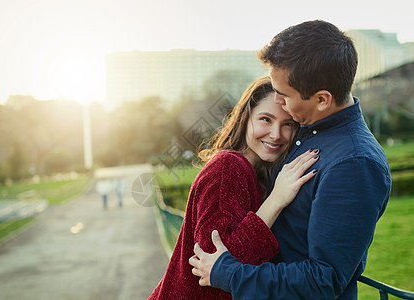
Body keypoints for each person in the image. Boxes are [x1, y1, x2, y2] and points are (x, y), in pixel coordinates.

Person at [189, 20, 392, 300]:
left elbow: (324, 279)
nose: (278, 101)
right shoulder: (306, 127)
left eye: (284, 95)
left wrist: (230, 273)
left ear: (322, 99)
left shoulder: (354, 164)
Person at [149, 76, 319, 299]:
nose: (276, 135)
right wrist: (276, 200)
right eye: (265, 119)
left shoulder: (256, 175)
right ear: (245, 119)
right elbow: (214, 266)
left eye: (288, 124)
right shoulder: (227, 167)